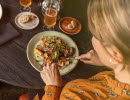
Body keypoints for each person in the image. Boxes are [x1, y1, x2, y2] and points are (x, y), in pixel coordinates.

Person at [20, 0, 130, 100]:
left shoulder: (76, 95)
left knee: (32, 88)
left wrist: (53, 88)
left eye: (95, 35)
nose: (92, 38)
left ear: (116, 54)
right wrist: (106, 61)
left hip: (56, 91)